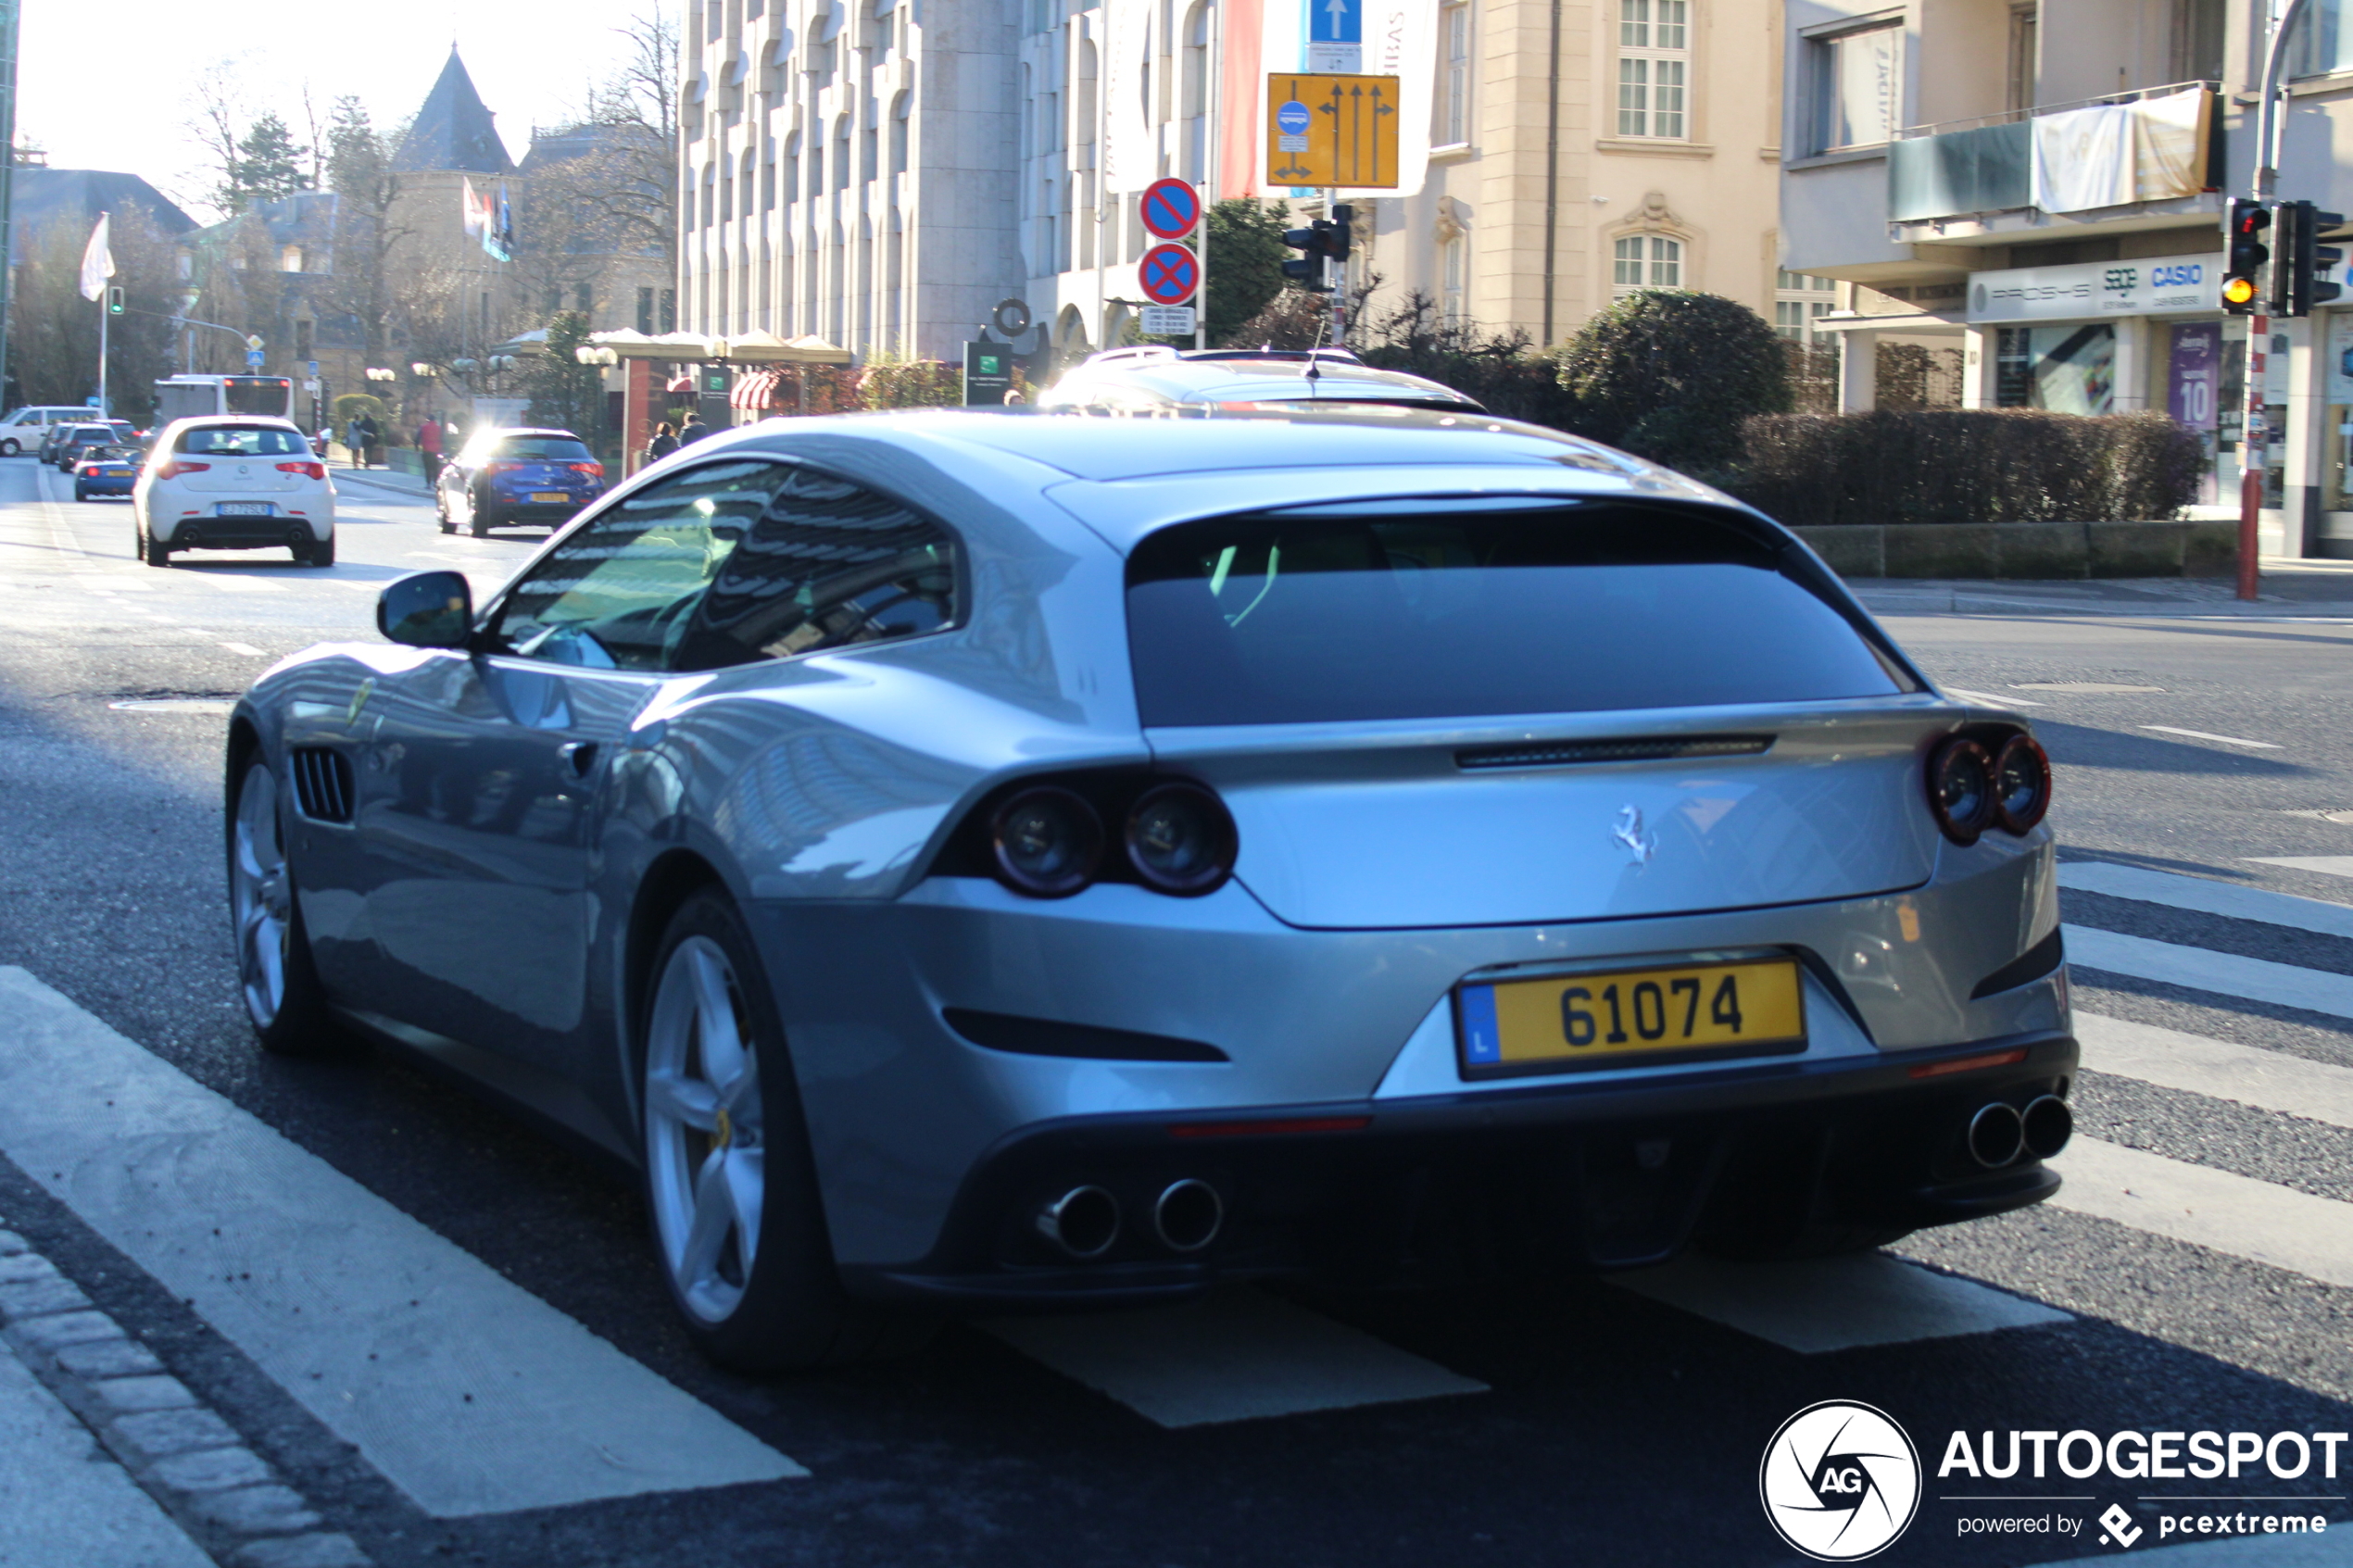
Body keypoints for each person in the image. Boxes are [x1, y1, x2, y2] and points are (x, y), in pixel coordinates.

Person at [416, 414, 444, 484]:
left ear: (427, 420)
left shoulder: (423, 427)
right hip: (437, 451)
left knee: (427, 468)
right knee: (435, 468)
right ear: (435, 420)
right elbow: (443, 439)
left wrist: (416, 449)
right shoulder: (439, 428)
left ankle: (428, 483)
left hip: (426, 451)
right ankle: (436, 482)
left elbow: (417, 439)